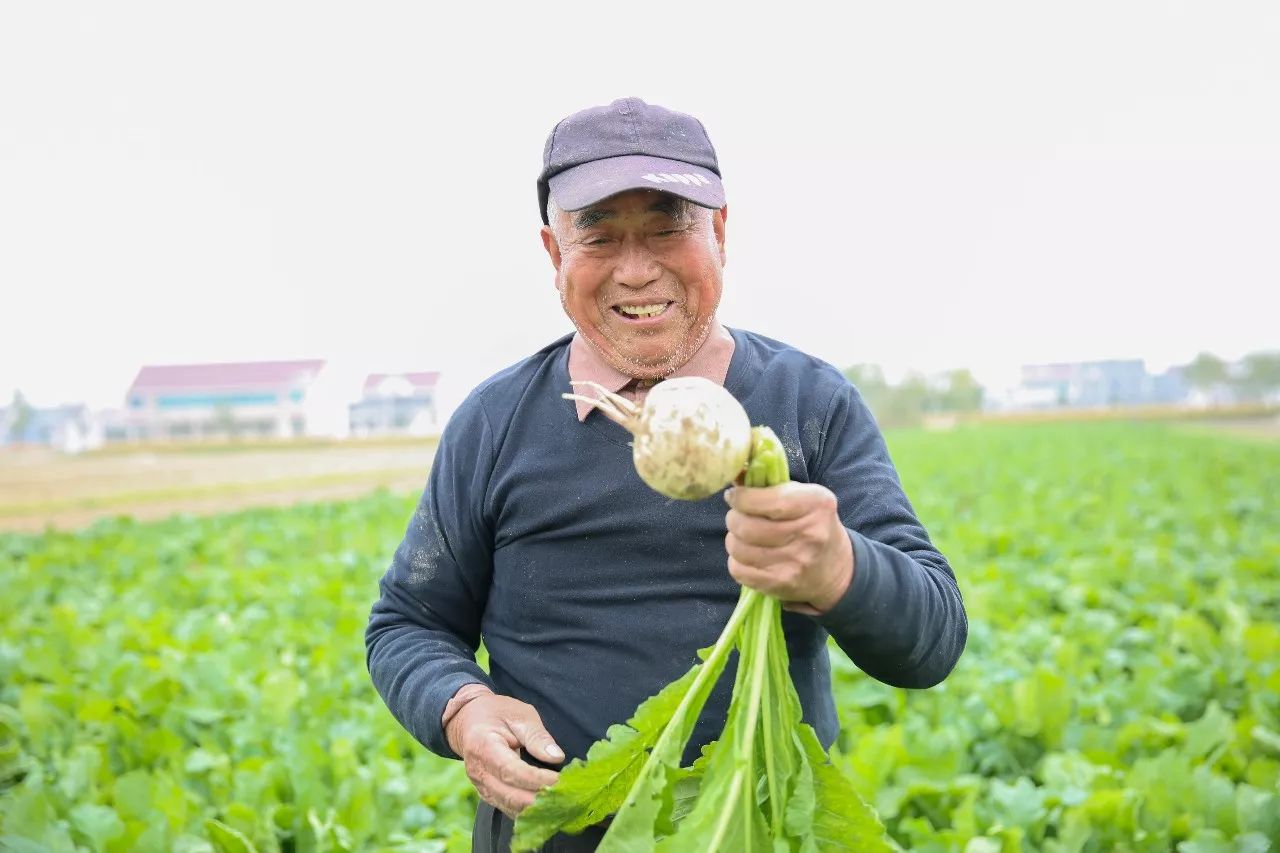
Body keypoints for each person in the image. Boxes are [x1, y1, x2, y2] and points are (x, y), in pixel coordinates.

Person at [365, 97, 967, 852]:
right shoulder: (494, 422)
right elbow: (407, 622)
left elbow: (932, 639)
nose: (638, 268)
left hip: (754, 828)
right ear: (555, 254)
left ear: (719, 233)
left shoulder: (810, 404)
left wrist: (839, 566)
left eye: (667, 226)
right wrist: (462, 708)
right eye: (601, 235)